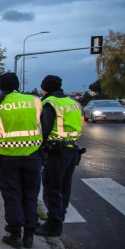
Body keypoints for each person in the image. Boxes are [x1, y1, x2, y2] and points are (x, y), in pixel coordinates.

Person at [0, 73, 43, 249]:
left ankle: (15, 234)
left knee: (12, 195)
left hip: (7, 157)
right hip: (33, 155)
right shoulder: (35, 101)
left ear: (1, 86)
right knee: (30, 195)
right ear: (17, 85)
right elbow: (45, 124)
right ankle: (29, 235)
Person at [35, 75, 83, 237]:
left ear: (45, 88)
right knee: (64, 186)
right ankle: (59, 218)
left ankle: (53, 224)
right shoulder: (73, 103)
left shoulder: (49, 103)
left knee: (52, 186)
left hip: (56, 150)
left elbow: (45, 128)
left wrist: (39, 147)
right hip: (72, 149)